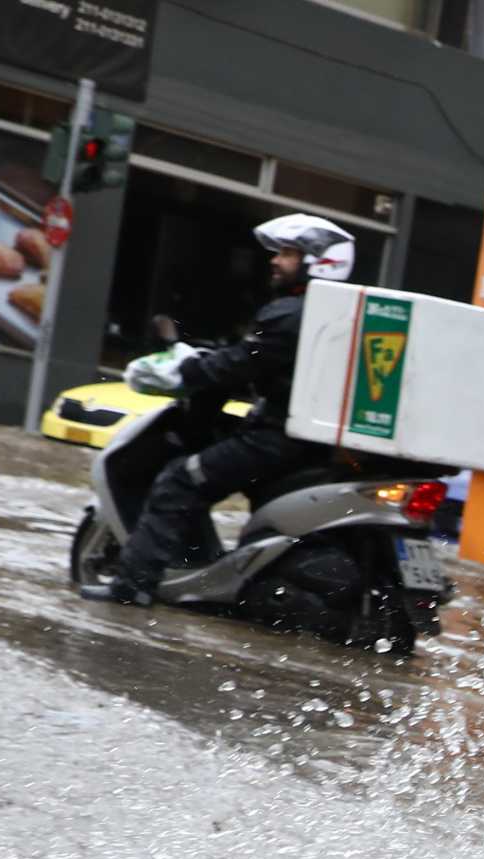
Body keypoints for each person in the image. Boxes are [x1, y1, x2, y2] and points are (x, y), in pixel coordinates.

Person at [81, 213, 356, 605]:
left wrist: (188, 370)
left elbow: (240, 365)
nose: (275, 261)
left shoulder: (291, 314)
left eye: (289, 253)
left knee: (179, 480)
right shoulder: (344, 316)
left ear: (318, 262)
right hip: (313, 444)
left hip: (277, 440)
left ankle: (133, 587)